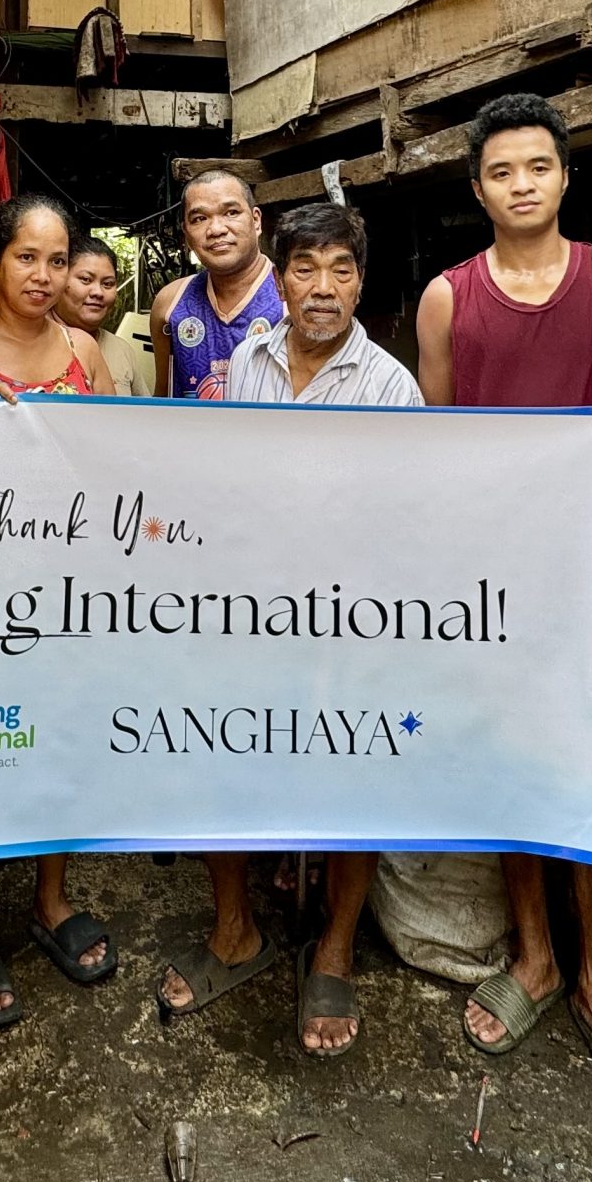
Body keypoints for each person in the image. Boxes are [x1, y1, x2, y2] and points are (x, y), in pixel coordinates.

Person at [417, 91, 592, 1107]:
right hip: (487, 576)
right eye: (500, 171)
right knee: (512, 757)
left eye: (538, 167)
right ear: (476, 188)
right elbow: (433, 438)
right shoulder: (446, 298)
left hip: (590, 567)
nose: (521, 185)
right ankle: (534, 957)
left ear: (565, 178)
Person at [166, 202, 422, 1057]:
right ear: (280, 278)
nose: (322, 287)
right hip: (250, 608)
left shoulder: (390, 385)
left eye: (340, 269)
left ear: (361, 281)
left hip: (353, 618)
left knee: (354, 768)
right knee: (219, 754)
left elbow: (399, 522)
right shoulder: (247, 359)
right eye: (304, 268)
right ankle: (235, 929)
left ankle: (336, 948)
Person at [0, 194, 118, 1029]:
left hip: (72, 591)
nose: (42, 277)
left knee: (60, 742)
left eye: (55, 260)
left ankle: (50, 896)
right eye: (25, 259)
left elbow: (122, 455)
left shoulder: (85, 349)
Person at [150, 168, 282, 400]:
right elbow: (163, 395)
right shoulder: (170, 303)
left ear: (256, 220)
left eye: (231, 212)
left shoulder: (289, 297)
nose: (216, 229)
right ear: (186, 234)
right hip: (192, 434)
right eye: (199, 218)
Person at [61, 232, 148, 397]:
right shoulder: (35, 342)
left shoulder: (122, 350)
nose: (98, 292)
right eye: (86, 280)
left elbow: (143, 416)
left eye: (108, 284)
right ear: (60, 279)